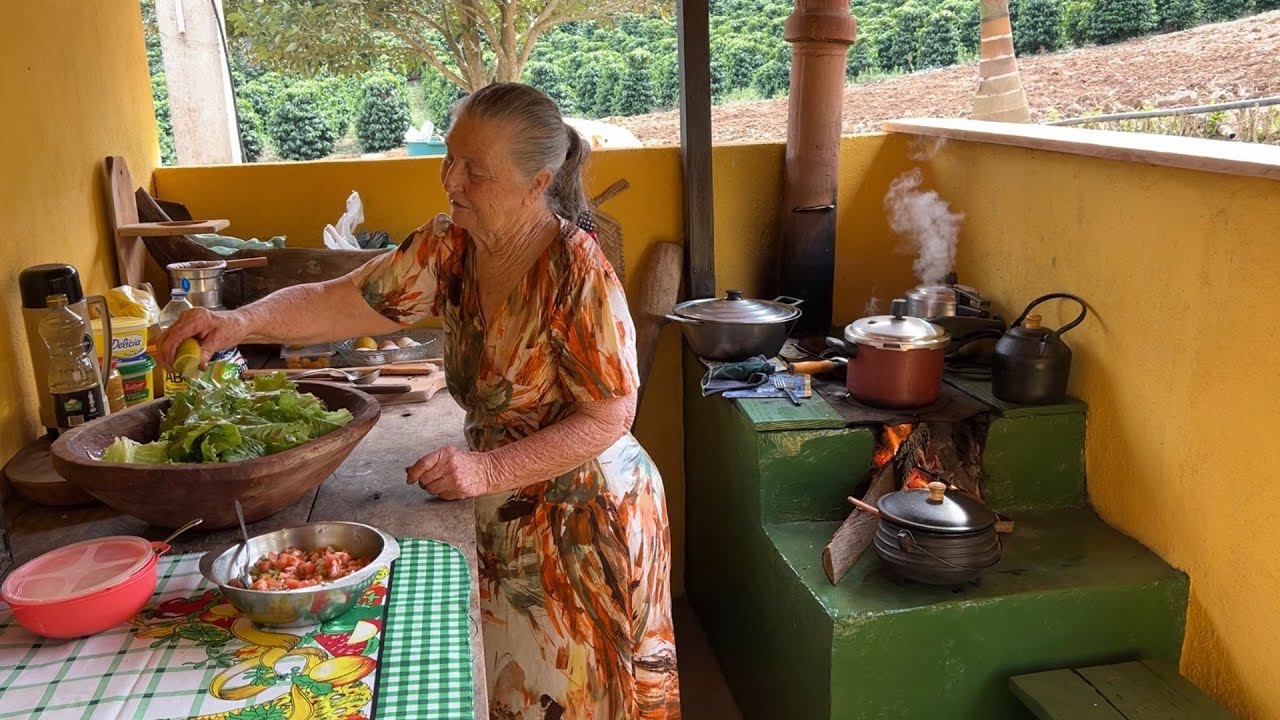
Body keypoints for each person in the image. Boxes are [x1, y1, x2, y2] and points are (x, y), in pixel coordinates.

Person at [156, 83, 680, 719]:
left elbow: (610, 414)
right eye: (449, 159)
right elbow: (341, 299)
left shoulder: (576, 272)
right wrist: (237, 323)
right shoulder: (449, 246)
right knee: (516, 690)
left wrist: (488, 469)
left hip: (586, 517)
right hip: (508, 509)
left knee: (585, 698)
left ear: (536, 181)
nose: (450, 181)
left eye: (475, 171)